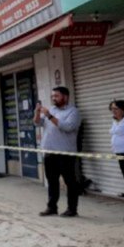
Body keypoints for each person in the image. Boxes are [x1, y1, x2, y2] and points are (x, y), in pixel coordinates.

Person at [35, 86, 83, 217]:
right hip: (50, 152)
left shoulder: (73, 112)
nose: (53, 98)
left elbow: (68, 127)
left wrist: (49, 116)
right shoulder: (51, 110)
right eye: (52, 96)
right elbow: (37, 124)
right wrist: (37, 113)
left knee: (70, 182)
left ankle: (72, 209)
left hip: (65, 153)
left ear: (65, 97)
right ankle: (51, 207)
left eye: (56, 96)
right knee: (52, 182)